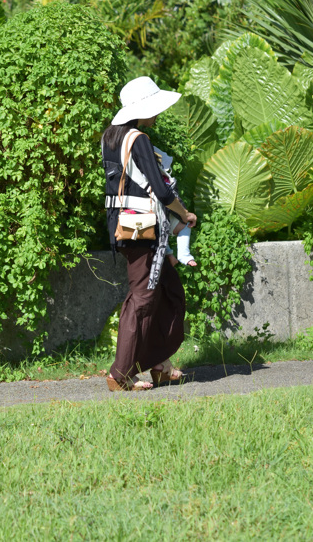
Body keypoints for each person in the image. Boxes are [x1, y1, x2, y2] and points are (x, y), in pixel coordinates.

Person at [101, 76, 196, 391]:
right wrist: (185, 215)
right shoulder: (138, 139)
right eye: (154, 108)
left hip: (124, 223)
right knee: (143, 297)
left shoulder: (112, 138)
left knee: (169, 292)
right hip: (144, 225)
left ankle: (160, 364)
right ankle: (121, 374)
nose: (158, 114)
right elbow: (161, 190)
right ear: (141, 110)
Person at [156, 149, 197, 267]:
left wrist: (184, 215)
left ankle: (182, 255)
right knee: (161, 232)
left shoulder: (165, 179)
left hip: (164, 214)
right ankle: (173, 255)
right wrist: (185, 214)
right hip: (155, 214)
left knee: (185, 224)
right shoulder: (161, 179)